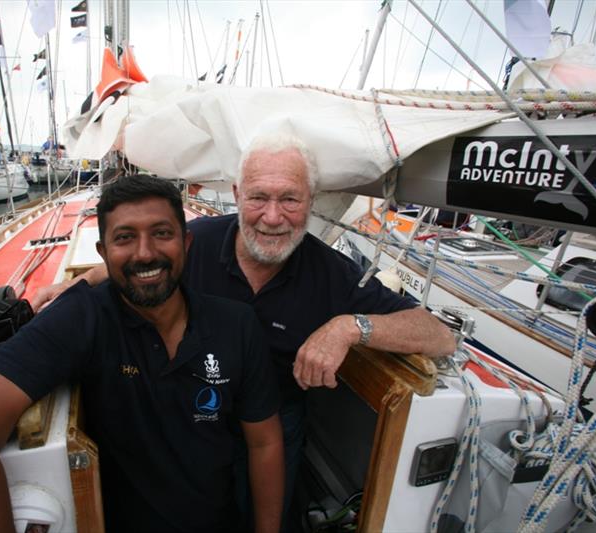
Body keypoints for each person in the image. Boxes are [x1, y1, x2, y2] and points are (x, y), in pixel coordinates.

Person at [32, 134, 457, 529]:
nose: (273, 217)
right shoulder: (196, 242)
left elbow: (439, 335)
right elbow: (124, 267)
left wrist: (349, 326)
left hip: (277, 418)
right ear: (237, 195)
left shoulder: (332, 274)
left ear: (311, 201)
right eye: (259, 198)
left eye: (290, 199)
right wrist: (70, 287)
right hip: (194, 412)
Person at [0, 174, 284, 533]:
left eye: (162, 233)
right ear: (103, 254)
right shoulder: (82, 317)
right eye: (125, 238)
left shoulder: (236, 324)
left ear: (186, 243)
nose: (145, 252)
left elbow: (264, 442)